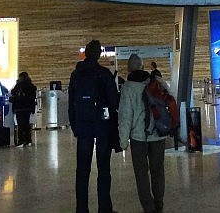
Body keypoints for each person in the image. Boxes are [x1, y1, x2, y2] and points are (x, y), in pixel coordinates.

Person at [68, 40, 120, 213]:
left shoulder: (76, 74)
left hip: (83, 127)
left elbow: (71, 103)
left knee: (82, 171)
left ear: (86, 53)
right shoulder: (104, 74)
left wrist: (75, 126)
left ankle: (81, 208)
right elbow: (113, 101)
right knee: (103, 169)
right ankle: (104, 208)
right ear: (98, 54)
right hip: (102, 127)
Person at [118, 54, 166, 213]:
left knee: (141, 174)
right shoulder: (156, 81)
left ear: (128, 69)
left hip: (139, 138)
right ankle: (159, 204)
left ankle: (148, 207)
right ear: (143, 67)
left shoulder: (128, 88)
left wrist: (123, 141)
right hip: (158, 134)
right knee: (158, 171)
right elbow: (170, 99)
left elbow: (125, 116)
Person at [10, 71, 37, 147]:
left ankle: (21, 141)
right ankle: (28, 140)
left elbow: (13, 92)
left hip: (20, 107)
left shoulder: (19, 85)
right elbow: (33, 97)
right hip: (28, 108)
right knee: (27, 124)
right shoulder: (31, 85)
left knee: (20, 124)